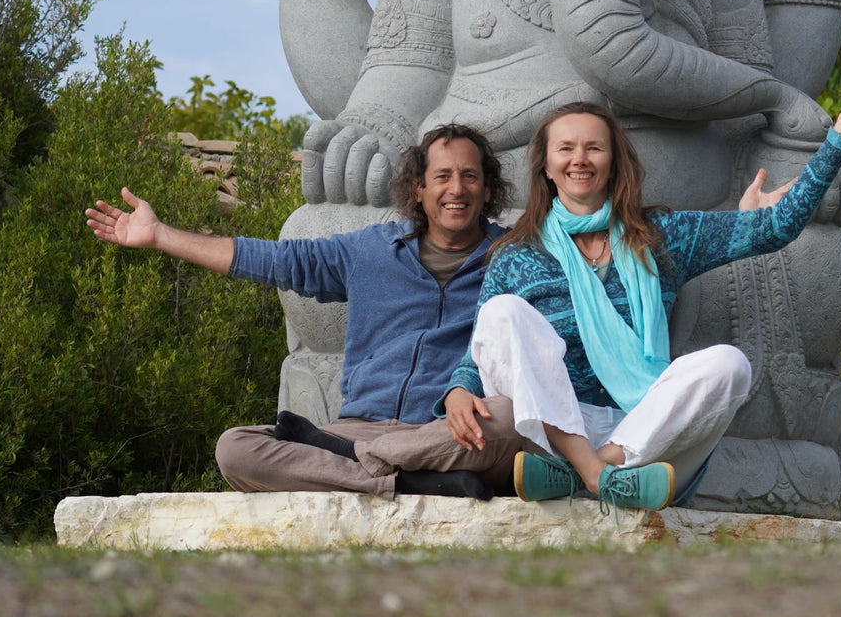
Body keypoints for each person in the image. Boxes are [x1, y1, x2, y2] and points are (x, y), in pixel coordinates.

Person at [441, 71, 841, 511]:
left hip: (642, 427)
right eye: (566, 148)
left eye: (594, 148)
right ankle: (595, 473)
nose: (580, 159)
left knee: (729, 365)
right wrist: (458, 392)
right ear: (546, 165)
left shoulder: (660, 237)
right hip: (553, 426)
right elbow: (484, 348)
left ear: (613, 161)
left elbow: (776, 227)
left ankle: (586, 473)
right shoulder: (517, 254)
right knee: (503, 311)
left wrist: (839, 135)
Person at [84, 124, 527, 500]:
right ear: (419, 187)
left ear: (488, 188)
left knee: (509, 421)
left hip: (447, 431)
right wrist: (161, 236)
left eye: (470, 176)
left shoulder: (516, 259)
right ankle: (411, 481)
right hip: (358, 430)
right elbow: (274, 260)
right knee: (235, 449)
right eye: (442, 175)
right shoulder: (372, 250)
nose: (456, 189)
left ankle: (367, 468)